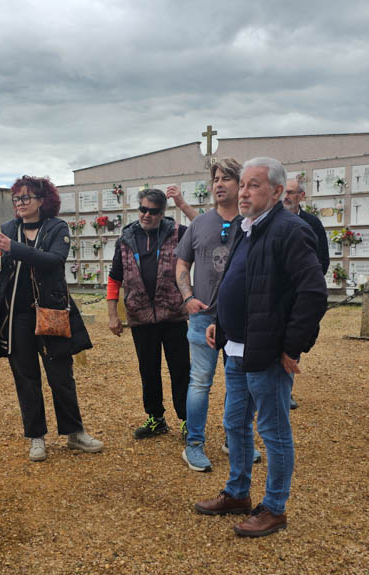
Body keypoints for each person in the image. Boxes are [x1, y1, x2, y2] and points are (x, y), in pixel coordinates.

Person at [194, 158, 327, 537]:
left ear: (278, 192)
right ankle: (237, 493)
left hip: (267, 352)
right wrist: (221, 323)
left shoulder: (290, 230)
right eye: (243, 185)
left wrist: (292, 347)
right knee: (234, 423)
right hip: (237, 349)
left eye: (254, 185)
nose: (244, 192)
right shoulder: (245, 227)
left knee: (273, 430)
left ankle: (274, 508)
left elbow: (312, 293)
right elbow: (239, 282)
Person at [0, 175, 103, 462]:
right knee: (26, 379)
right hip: (16, 318)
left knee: (61, 376)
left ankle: (75, 433)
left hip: (51, 313)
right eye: (16, 198)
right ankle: (36, 437)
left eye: (26, 197)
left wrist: (13, 248)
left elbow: (54, 261)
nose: (20, 203)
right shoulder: (8, 229)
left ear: (42, 201)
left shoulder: (57, 228)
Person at [169, 159, 261, 472]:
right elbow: (182, 263)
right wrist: (188, 297)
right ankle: (194, 445)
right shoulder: (200, 224)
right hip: (203, 316)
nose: (219, 184)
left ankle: (236, 440)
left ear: (241, 184)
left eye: (227, 178)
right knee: (199, 381)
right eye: (216, 179)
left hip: (241, 319)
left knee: (241, 384)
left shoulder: (252, 223)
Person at [106, 188, 190, 439]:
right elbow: (114, 278)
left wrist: (182, 203)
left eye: (153, 211)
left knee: (181, 370)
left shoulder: (178, 233)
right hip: (140, 316)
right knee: (148, 370)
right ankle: (156, 418)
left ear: (162, 213)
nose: (147, 215)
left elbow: (205, 230)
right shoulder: (126, 238)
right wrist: (113, 315)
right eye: (143, 209)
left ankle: (188, 420)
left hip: (173, 315)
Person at [282, 177, 330, 410]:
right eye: (284, 192)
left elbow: (322, 259)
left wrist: (308, 284)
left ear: (301, 196)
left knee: (294, 339)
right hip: (278, 293)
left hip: (299, 293)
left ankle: (286, 390)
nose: (286, 197)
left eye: (291, 193)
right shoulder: (271, 220)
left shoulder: (312, 223)